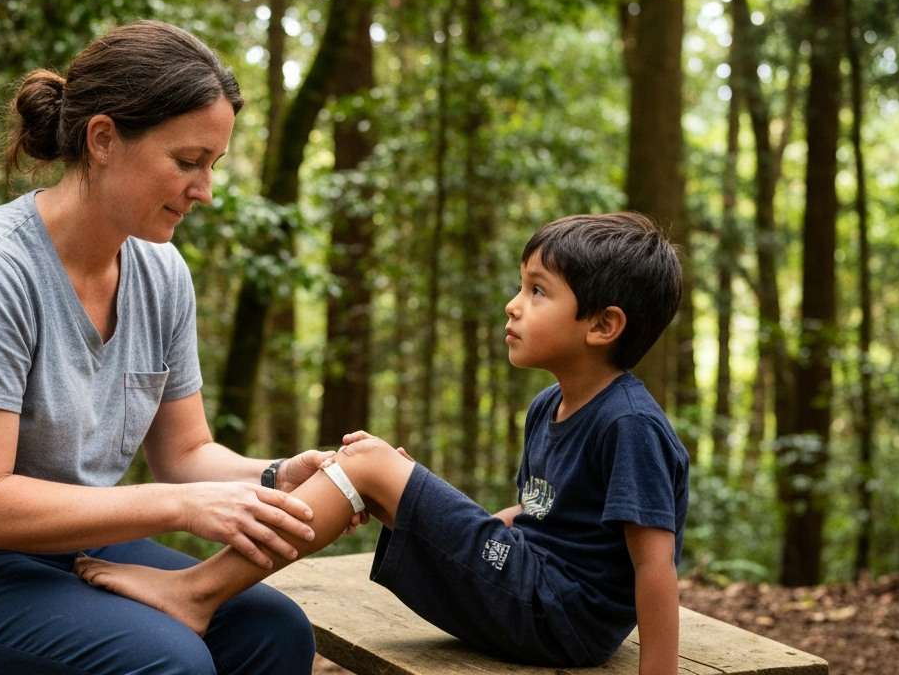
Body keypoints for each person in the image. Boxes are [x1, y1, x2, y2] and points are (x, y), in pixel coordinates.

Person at [0, 20, 357, 675]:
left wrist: (276, 477)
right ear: (104, 138)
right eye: (187, 162)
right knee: (167, 664)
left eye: (213, 166)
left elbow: (186, 454)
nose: (205, 191)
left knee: (272, 630)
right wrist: (182, 506)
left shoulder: (162, 274)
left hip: (66, 548)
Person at [76, 212, 690, 674]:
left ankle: (196, 592)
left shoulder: (628, 425)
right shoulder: (546, 409)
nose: (512, 306)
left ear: (603, 325)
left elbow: (653, 567)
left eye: (537, 291)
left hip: (562, 617)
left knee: (369, 462)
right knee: (378, 467)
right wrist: (428, 507)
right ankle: (216, 579)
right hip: (532, 589)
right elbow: (541, 519)